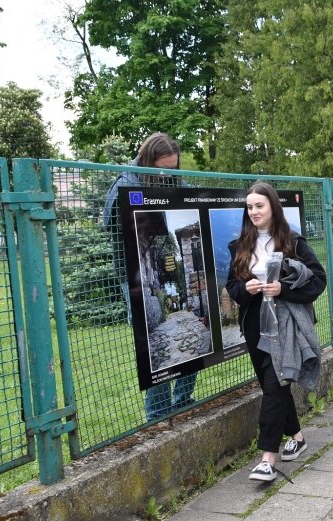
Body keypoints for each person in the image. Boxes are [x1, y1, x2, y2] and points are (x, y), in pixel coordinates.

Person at [225, 182, 327, 482]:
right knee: (274, 388)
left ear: (272, 207)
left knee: (274, 386)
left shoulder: (293, 242)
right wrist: (245, 288)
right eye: (250, 207)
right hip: (256, 325)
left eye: (260, 206)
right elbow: (232, 288)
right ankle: (297, 435)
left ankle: (267, 458)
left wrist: (283, 288)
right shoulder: (240, 246)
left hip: (287, 326)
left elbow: (317, 280)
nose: (254, 211)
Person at [103, 132, 197, 421]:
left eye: (173, 169)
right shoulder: (126, 182)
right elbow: (111, 227)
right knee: (152, 344)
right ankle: (158, 413)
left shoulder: (172, 179)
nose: (167, 176)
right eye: (163, 170)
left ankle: (183, 400)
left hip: (162, 269)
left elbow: (191, 195)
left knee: (190, 336)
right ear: (147, 160)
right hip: (136, 276)